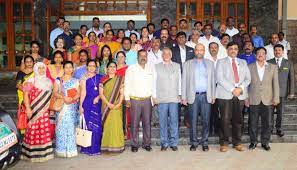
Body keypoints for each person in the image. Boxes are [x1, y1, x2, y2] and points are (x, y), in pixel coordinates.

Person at [216, 42, 251, 152]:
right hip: (225, 94)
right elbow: (220, 78)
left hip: (240, 95)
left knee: (238, 120)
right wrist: (232, 89)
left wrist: (240, 88)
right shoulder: (221, 62)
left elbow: (248, 79)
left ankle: (237, 142)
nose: (233, 50)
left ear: (238, 50)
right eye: (231, 48)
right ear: (227, 50)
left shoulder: (243, 62)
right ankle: (224, 143)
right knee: (224, 120)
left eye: (235, 48)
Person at [182, 44, 216, 152]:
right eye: (197, 50)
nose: (199, 52)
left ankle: (205, 142)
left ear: (204, 51)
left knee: (206, 120)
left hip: (206, 95)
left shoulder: (210, 64)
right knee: (193, 121)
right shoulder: (187, 64)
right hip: (193, 96)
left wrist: (213, 95)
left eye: (201, 50)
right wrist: (183, 97)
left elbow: (213, 81)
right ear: (195, 51)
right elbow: (184, 82)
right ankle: (194, 142)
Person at [247, 47, 279, 151]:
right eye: (259, 53)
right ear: (255, 55)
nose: (261, 54)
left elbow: (276, 84)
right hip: (253, 98)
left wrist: (276, 98)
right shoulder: (249, 67)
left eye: (263, 53)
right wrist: (246, 98)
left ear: (266, 55)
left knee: (268, 123)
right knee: (253, 122)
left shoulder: (273, 67)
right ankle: (253, 142)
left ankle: (265, 142)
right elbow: (246, 84)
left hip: (268, 99)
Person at [21, 62, 54, 162]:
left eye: (43, 68)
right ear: (35, 69)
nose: (41, 70)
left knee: (44, 130)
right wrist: (28, 108)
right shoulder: (30, 81)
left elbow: (50, 97)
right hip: (33, 110)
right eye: (39, 68)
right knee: (33, 130)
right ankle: (31, 153)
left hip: (44, 111)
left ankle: (44, 153)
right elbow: (25, 95)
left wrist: (50, 109)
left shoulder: (49, 82)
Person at [124, 50, 154, 152]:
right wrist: (127, 98)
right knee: (134, 123)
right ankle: (134, 144)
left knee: (147, 123)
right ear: (137, 57)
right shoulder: (131, 68)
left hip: (147, 100)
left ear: (147, 57)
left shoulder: (151, 68)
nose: (143, 57)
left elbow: (153, 84)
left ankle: (147, 143)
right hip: (134, 100)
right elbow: (127, 83)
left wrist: (154, 97)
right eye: (141, 56)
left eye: (145, 56)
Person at [152, 48, 181, 151]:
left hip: (174, 97)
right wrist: (154, 96)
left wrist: (180, 94)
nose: (166, 55)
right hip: (161, 98)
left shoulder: (177, 66)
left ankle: (174, 142)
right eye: (164, 53)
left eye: (168, 53)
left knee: (174, 121)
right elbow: (153, 83)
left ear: (171, 55)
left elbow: (180, 81)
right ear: (162, 55)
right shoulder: (156, 67)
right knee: (163, 121)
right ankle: (164, 143)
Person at [267, 44, 295, 137]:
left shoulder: (288, 63)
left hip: (282, 93)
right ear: (273, 51)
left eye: (279, 50)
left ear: (283, 52)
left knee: (280, 113)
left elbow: (291, 79)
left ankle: (279, 129)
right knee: (269, 113)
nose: (277, 52)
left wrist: (291, 92)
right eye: (276, 50)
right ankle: (269, 128)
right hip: (270, 93)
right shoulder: (268, 62)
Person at [54, 61, 80, 157]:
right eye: (66, 67)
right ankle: (61, 151)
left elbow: (78, 93)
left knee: (70, 128)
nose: (68, 69)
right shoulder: (58, 80)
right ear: (63, 68)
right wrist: (63, 98)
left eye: (70, 67)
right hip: (62, 107)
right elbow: (55, 92)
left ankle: (71, 150)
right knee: (61, 128)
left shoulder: (76, 81)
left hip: (72, 107)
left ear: (73, 69)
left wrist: (73, 99)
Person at [99, 61, 125, 153]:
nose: (112, 68)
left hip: (117, 106)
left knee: (116, 126)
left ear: (116, 68)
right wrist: (108, 103)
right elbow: (101, 94)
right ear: (107, 68)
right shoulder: (103, 80)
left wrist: (118, 103)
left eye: (114, 66)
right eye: (110, 66)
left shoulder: (120, 79)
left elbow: (122, 93)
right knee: (108, 126)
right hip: (106, 106)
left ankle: (118, 146)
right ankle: (107, 146)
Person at [79, 59, 103, 155]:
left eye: (94, 66)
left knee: (97, 126)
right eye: (90, 65)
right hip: (87, 103)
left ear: (96, 67)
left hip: (98, 103)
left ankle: (96, 148)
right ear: (87, 67)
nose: (92, 67)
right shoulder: (83, 78)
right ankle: (87, 148)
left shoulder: (100, 77)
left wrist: (98, 97)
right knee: (88, 125)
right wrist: (81, 106)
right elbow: (83, 93)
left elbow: (103, 90)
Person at [16, 55, 34, 134]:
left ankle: (34, 131)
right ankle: (25, 132)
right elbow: (18, 85)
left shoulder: (36, 72)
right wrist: (26, 91)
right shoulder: (21, 72)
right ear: (25, 63)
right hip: (24, 95)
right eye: (27, 62)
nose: (29, 63)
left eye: (30, 62)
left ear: (33, 62)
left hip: (34, 95)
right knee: (25, 112)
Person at [115, 51, 130, 140]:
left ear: (125, 58)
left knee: (125, 115)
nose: (120, 58)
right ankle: (117, 133)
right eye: (118, 57)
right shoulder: (113, 68)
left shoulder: (128, 69)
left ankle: (125, 134)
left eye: (122, 57)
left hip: (125, 94)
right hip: (115, 95)